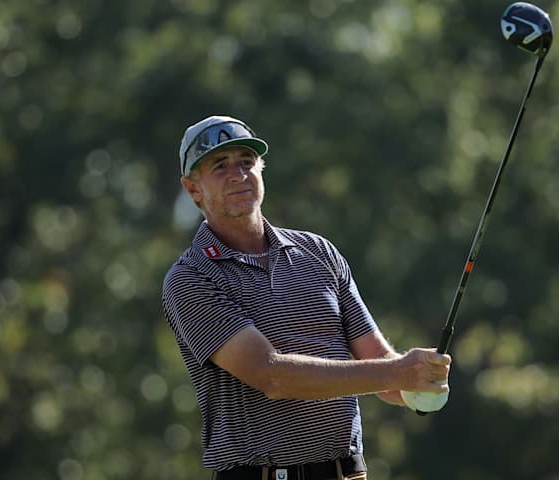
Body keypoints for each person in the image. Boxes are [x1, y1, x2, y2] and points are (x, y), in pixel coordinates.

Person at [162, 115, 452, 480]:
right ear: (193, 189)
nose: (238, 175)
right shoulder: (191, 278)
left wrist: (416, 383)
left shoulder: (318, 252)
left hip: (347, 473)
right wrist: (396, 371)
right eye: (220, 167)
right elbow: (272, 376)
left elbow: (380, 366)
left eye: (247, 163)